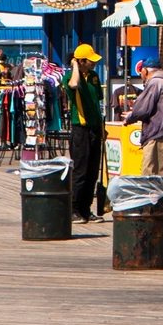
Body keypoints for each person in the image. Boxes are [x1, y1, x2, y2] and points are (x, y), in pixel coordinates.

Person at [66, 45, 109, 221]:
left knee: (92, 171)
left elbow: (97, 102)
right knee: (80, 171)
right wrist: (74, 65)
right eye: (90, 61)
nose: (93, 64)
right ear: (81, 62)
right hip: (80, 130)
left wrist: (101, 127)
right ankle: (73, 208)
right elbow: (74, 85)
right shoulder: (70, 76)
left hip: (94, 128)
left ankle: (86, 208)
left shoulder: (94, 77)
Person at [126, 55, 163, 176]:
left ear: (145, 70)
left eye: (141, 71)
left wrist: (130, 118)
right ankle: (161, 196)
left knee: (150, 177)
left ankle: (152, 196)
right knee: (162, 176)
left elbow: (142, 109)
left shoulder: (154, 83)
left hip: (158, 135)